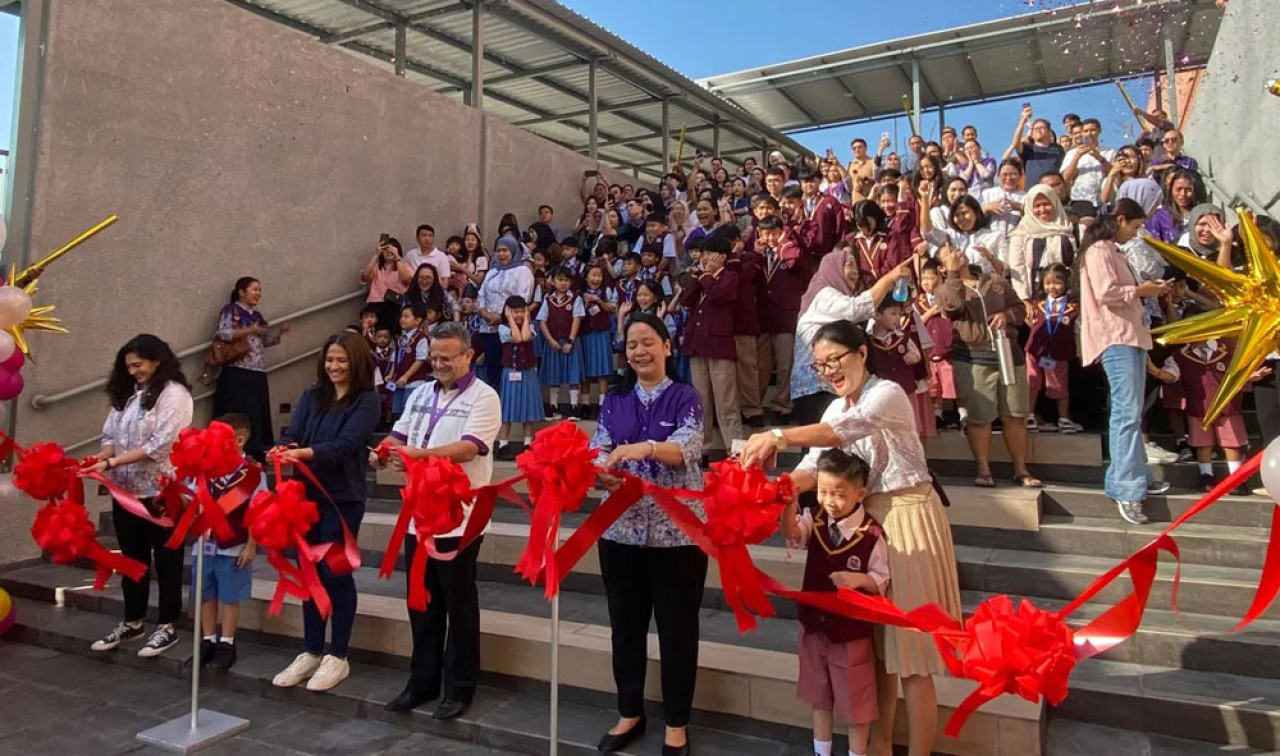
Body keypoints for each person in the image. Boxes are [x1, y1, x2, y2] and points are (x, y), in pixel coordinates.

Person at [740, 320, 962, 756]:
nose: (829, 371)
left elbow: (843, 433)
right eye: (820, 365)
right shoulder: (833, 408)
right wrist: (773, 488)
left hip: (908, 518)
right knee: (873, 652)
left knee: (912, 656)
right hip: (860, 526)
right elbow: (814, 466)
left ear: (862, 352)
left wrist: (776, 435)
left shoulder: (888, 393)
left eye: (835, 360)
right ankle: (878, 749)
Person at [591, 313, 706, 756]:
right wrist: (599, 473)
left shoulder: (685, 397)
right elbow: (598, 447)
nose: (639, 351)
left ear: (666, 346)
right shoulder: (615, 399)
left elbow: (689, 449)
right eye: (632, 345)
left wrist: (647, 448)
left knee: (678, 631)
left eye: (647, 342)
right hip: (619, 533)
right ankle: (629, 712)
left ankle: (677, 723)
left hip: (677, 537)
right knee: (625, 627)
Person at [373, 321, 501, 718]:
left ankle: (460, 687)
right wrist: (384, 450)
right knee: (422, 602)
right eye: (434, 357)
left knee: (458, 602)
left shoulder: (485, 397)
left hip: (460, 518)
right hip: (419, 513)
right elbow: (399, 435)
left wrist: (418, 456)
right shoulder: (420, 392)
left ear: (468, 355)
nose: (440, 364)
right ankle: (422, 682)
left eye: (448, 357)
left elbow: (469, 449)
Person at [271, 332, 380, 692]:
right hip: (305, 498)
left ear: (356, 362)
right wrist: (284, 449)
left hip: (342, 499)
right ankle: (312, 650)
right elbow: (295, 434)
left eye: (342, 360)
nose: (334, 367)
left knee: (335, 574)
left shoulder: (367, 401)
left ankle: (339, 654)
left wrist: (303, 454)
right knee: (308, 575)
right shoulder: (310, 395)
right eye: (330, 360)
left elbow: (346, 445)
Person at [88, 334, 195, 657]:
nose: (134, 371)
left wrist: (113, 461)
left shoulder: (174, 395)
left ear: (157, 361)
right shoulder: (129, 394)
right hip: (125, 492)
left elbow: (160, 445)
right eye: (129, 366)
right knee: (132, 559)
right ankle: (133, 620)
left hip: (162, 492)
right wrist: (101, 458)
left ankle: (166, 625)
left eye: (139, 365)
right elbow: (110, 434)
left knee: (166, 560)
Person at [1078, 198, 1173, 525]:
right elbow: (1107, 292)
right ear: (1120, 220)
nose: (1134, 233)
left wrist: (1145, 290)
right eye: (1133, 226)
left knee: (1131, 412)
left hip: (1129, 335)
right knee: (1126, 413)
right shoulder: (1100, 251)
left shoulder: (1112, 251)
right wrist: (1141, 290)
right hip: (1115, 336)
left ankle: (1138, 476)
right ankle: (1125, 487)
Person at [790, 449, 888, 756]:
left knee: (855, 702)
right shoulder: (816, 519)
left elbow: (881, 578)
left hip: (850, 633)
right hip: (814, 625)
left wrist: (859, 580)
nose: (829, 501)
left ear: (860, 494)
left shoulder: (871, 534)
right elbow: (794, 534)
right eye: (822, 491)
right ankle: (822, 751)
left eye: (838, 494)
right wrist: (786, 504)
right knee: (819, 696)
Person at [934, 244, 1041, 488]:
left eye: (956, 249)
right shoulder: (945, 288)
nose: (955, 253)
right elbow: (951, 306)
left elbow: (1017, 306)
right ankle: (983, 470)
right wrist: (952, 274)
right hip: (973, 358)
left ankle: (1021, 469)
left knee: (1014, 414)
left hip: (1007, 353)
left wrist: (1007, 316)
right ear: (942, 266)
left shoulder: (992, 280)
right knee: (980, 418)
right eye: (948, 254)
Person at [791, 246, 912, 425]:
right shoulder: (823, 294)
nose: (855, 272)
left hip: (829, 383)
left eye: (856, 267)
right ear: (833, 269)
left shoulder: (836, 295)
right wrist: (890, 278)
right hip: (815, 387)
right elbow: (856, 310)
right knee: (823, 444)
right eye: (848, 266)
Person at [191, 412, 266, 672]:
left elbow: (259, 510)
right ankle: (208, 640)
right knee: (205, 593)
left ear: (239, 440)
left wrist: (251, 545)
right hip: (204, 543)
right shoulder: (206, 468)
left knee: (230, 595)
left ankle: (227, 642)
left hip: (233, 544)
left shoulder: (252, 474)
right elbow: (191, 498)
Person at [1153, 339, 1250, 494]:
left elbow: (1242, 370)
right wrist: (1156, 371)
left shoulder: (1227, 350)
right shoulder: (1181, 355)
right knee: (1203, 443)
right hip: (1199, 407)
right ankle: (1206, 476)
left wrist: (1251, 374)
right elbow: (1172, 375)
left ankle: (1236, 478)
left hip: (1227, 406)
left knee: (1231, 442)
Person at [212, 277, 291, 460]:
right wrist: (250, 330)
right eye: (254, 289)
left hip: (257, 370)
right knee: (239, 409)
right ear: (241, 291)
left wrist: (279, 334)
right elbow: (223, 333)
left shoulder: (257, 316)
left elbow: (263, 342)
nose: (258, 294)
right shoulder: (230, 310)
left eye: (260, 290)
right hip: (237, 369)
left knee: (257, 410)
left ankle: (256, 447)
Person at [680, 234, 742, 449]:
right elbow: (685, 301)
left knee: (726, 402)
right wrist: (698, 278)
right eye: (703, 253)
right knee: (700, 400)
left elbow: (718, 295)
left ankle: (734, 449)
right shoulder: (700, 277)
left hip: (719, 346)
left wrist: (706, 276)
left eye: (709, 253)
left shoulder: (730, 276)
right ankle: (701, 448)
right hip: (697, 345)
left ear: (722, 256)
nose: (704, 258)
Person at [756, 214, 811, 424]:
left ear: (781, 233)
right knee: (760, 366)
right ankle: (755, 406)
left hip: (785, 317)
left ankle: (782, 405)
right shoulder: (759, 255)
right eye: (765, 233)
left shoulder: (787, 250)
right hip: (762, 318)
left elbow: (797, 261)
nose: (769, 238)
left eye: (774, 233)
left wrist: (783, 244)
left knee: (784, 365)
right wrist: (756, 253)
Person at [1025, 265, 1083, 433]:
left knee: (1059, 385)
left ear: (1066, 283)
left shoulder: (1074, 308)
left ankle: (1063, 419)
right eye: (1048, 283)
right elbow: (1028, 318)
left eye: (1057, 283)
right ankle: (1029, 416)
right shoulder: (1036, 305)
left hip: (1059, 352)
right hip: (1035, 350)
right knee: (1032, 382)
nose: (1052, 287)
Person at [476, 236, 535, 389]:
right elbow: (481, 294)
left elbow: (522, 298)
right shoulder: (492, 271)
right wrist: (483, 312)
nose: (501, 254)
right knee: (492, 368)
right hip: (488, 327)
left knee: (508, 366)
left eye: (505, 250)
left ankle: (508, 404)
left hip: (510, 327)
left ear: (513, 251)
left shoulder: (522, 271)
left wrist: (501, 317)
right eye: (498, 251)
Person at [1007, 185, 1077, 301]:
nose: (1042, 210)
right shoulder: (1022, 232)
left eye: (1046, 204)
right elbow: (1018, 267)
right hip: (1035, 294)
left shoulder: (1068, 227)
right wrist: (1024, 298)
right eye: (1037, 206)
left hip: (1068, 294)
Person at [495, 295, 542, 459]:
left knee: (527, 408)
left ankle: (528, 442)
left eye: (522, 311)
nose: (519, 315)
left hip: (528, 371)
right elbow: (516, 338)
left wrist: (527, 319)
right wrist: (510, 319)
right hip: (510, 371)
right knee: (508, 408)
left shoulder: (530, 326)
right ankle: (503, 443)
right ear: (507, 312)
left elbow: (525, 337)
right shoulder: (502, 328)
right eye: (514, 312)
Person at [537, 266, 586, 418]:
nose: (563, 283)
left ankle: (573, 406)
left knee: (573, 374)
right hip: (553, 342)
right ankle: (553, 406)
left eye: (566, 280)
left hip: (570, 341)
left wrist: (570, 341)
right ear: (553, 281)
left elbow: (577, 319)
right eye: (560, 280)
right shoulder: (548, 300)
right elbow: (542, 322)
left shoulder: (575, 299)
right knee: (553, 374)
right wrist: (551, 341)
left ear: (570, 282)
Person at [360, 236, 414, 329]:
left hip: (395, 305)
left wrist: (397, 258)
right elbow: (365, 277)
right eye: (386, 249)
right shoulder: (377, 267)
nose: (389, 252)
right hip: (375, 305)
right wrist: (376, 255)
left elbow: (406, 279)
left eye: (392, 249)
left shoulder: (404, 266)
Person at [1006, 105, 1064, 185]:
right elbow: (1015, 143)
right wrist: (1022, 121)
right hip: (1033, 191)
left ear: (1048, 131)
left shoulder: (1057, 149)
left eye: (1041, 128)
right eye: (1035, 129)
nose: (1038, 130)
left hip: (1053, 190)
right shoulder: (1028, 148)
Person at [1061, 118, 1114, 206]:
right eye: (1086, 131)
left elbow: (1116, 174)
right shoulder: (1072, 153)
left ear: (1099, 131)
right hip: (1079, 201)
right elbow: (1065, 178)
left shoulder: (1110, 152)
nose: (1089, 134)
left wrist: (1100, 157)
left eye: (1092, 130)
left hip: (1104, 201)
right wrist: (1077, 157)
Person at [1145, 169, 1207, 243]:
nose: (1183, 194)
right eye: (1178, 189)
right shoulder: (1160, 218)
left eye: (1189, 190)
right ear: (1171, 190)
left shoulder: (1207, 215)